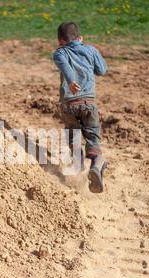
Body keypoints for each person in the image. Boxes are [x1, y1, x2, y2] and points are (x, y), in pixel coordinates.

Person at [53, 21, 108, 193]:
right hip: (89, 104)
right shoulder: (91, 50)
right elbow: (102, 70)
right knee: (92, 137)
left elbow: (64, 66)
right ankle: (96, 165)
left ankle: (77, 163)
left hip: (69, 104)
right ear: (80, 37)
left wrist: (71, 82)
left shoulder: (59, 52)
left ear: (60, 41)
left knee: (72, 133)